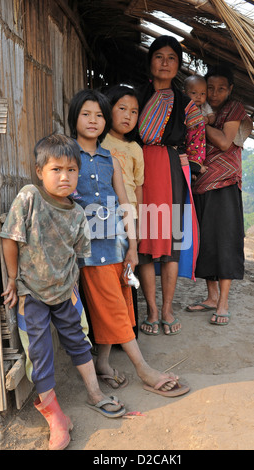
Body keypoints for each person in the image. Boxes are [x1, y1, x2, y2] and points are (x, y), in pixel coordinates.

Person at [0, 134, 126, 451]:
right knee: (39, 352)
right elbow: (10, 239)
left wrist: (72, 287)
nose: (64, 176)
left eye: (71, 170)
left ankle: (95, 393)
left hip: (64, 292)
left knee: (78, 340)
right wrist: (13, 279)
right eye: (56, 169)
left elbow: (78, 253)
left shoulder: (77, 214)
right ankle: (55, 416)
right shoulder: (30, 197)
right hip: (32, 293)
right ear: (40, 170)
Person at [68, 88, 190, 398]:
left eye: (98, 115)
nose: (93, 120)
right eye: (86, 114)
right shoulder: (67, 155)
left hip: (118, 245)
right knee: (114, 308)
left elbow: (125, 203)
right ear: (74, 118)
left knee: (119, 304)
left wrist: (133, 246)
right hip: (89, 249)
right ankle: (144, 369)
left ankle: (103, 363)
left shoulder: (110, 158)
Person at [137, 35, 206, 336]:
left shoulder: (186, 104)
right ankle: (151, 309)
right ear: (150, 61)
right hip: (139, 170)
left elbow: (197, 141)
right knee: (144, 240)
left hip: (170, 171)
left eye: (171, 58)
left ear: (178, 65)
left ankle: (167, 308)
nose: (165, 63)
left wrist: (190, 165)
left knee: (170, 243)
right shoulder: (135, 97)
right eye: (159, 56)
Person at [187, 65, 253, 325]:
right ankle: (211, 297)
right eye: (210, 88)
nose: (214, 93)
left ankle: (223, 302)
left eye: (221, 88)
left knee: (225, 242)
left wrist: (198, 124)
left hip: (225, 184)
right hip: (200, 183)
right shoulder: (199, 109)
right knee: (205, 242)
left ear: (231, 89)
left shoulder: (234, 108)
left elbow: (225, 142)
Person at [102, 84, 144, 337]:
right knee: (105, 276)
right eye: (122, 109)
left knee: (127, 273)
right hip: (103, 215)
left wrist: (139, 224)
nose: (128, 116)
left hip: (128, 217)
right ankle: (106, 333)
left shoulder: (135, 149)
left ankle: (127, 332)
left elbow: (138, 187)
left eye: (134, 112)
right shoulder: (98, 140)